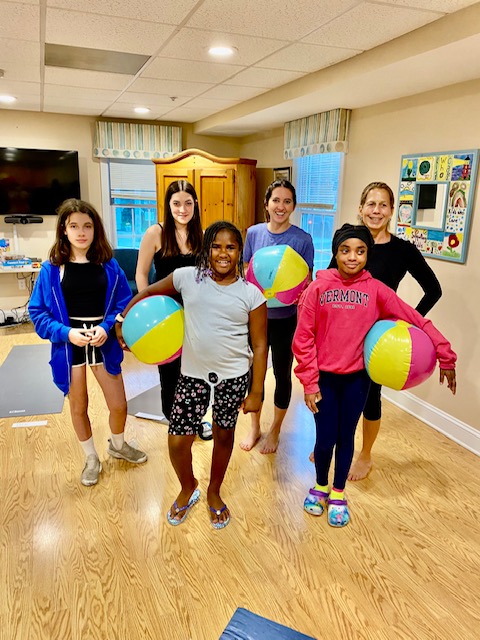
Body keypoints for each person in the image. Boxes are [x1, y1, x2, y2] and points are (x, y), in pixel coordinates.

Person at [293, 223, 456, 528]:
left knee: (345, 437)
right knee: (325, 438)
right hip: (324, 380)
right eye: (345, 250)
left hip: (357, 381)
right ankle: (320, 486)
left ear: (368, 254)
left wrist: (444, 353)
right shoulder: (318, 288)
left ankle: (339, 492)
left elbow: (415, 318)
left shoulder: (377, 290)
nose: (352, 257)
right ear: (335, 252)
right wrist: (310, 382)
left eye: (360, 251)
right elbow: (303, 339)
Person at [117, 221, 268, 529]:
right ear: (205, 250)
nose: (223, 253)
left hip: (234, 377)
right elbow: (148, 291)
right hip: (193, 376)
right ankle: (189, 486)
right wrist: (123, 318)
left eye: (230, 247)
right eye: (216, 246)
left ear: (240, 252)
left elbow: (260, 344)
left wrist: (256, 391)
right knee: (177, 440)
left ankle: (214, 491)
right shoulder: (187, 278)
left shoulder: (252, 294)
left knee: (224, 435)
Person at [29, 198, 147, 487]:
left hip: (102, 342)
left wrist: (108, 326)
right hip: (69, 345)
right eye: (74, 226)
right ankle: (91, 457)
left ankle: (117, 446)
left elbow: (122, 301)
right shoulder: (51, 270)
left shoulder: (109, 266)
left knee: (118, 405)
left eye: (88, 226)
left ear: (96, 230)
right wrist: (66, 332)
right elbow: (37, 312)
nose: (81, 232)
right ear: (64, 230)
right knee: (78, 406)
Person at [346, 181, 443, 480]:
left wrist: (407, 321)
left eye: (382, 205)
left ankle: (365, 454)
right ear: (361, 208)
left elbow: (433, 290)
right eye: (370, 204)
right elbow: (329, 281)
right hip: (345, 332)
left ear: (391, 211)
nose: (376, 211)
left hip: (379, 339)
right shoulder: (349, 241)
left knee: (370, 397)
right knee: (337, 392)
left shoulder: (403, 250)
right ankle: (333, 443)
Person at [240, 179, 314, 454]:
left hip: (287, 319)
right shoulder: (254, 234)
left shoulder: (302, 240)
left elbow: (306, 283)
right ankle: (254, 426)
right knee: (252, 373)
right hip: (256, 317)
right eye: (276, 200)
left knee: (283, 374)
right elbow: (247, 274)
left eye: (287, 201)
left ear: (293, 206)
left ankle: (275, 430)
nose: (281, 206)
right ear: (267, 204)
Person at [135, 180, 204, 426]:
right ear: (168, 205)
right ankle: (174, 422)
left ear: (195, 204)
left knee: (195, 372)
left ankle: (194, 420)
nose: (182, 209)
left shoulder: (202, 236)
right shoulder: (156, 233)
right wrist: (148, 308)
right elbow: (141, 274)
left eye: (188, 203)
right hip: (164, 313)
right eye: (176, 203)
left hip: (194, 314)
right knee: (170, 371)